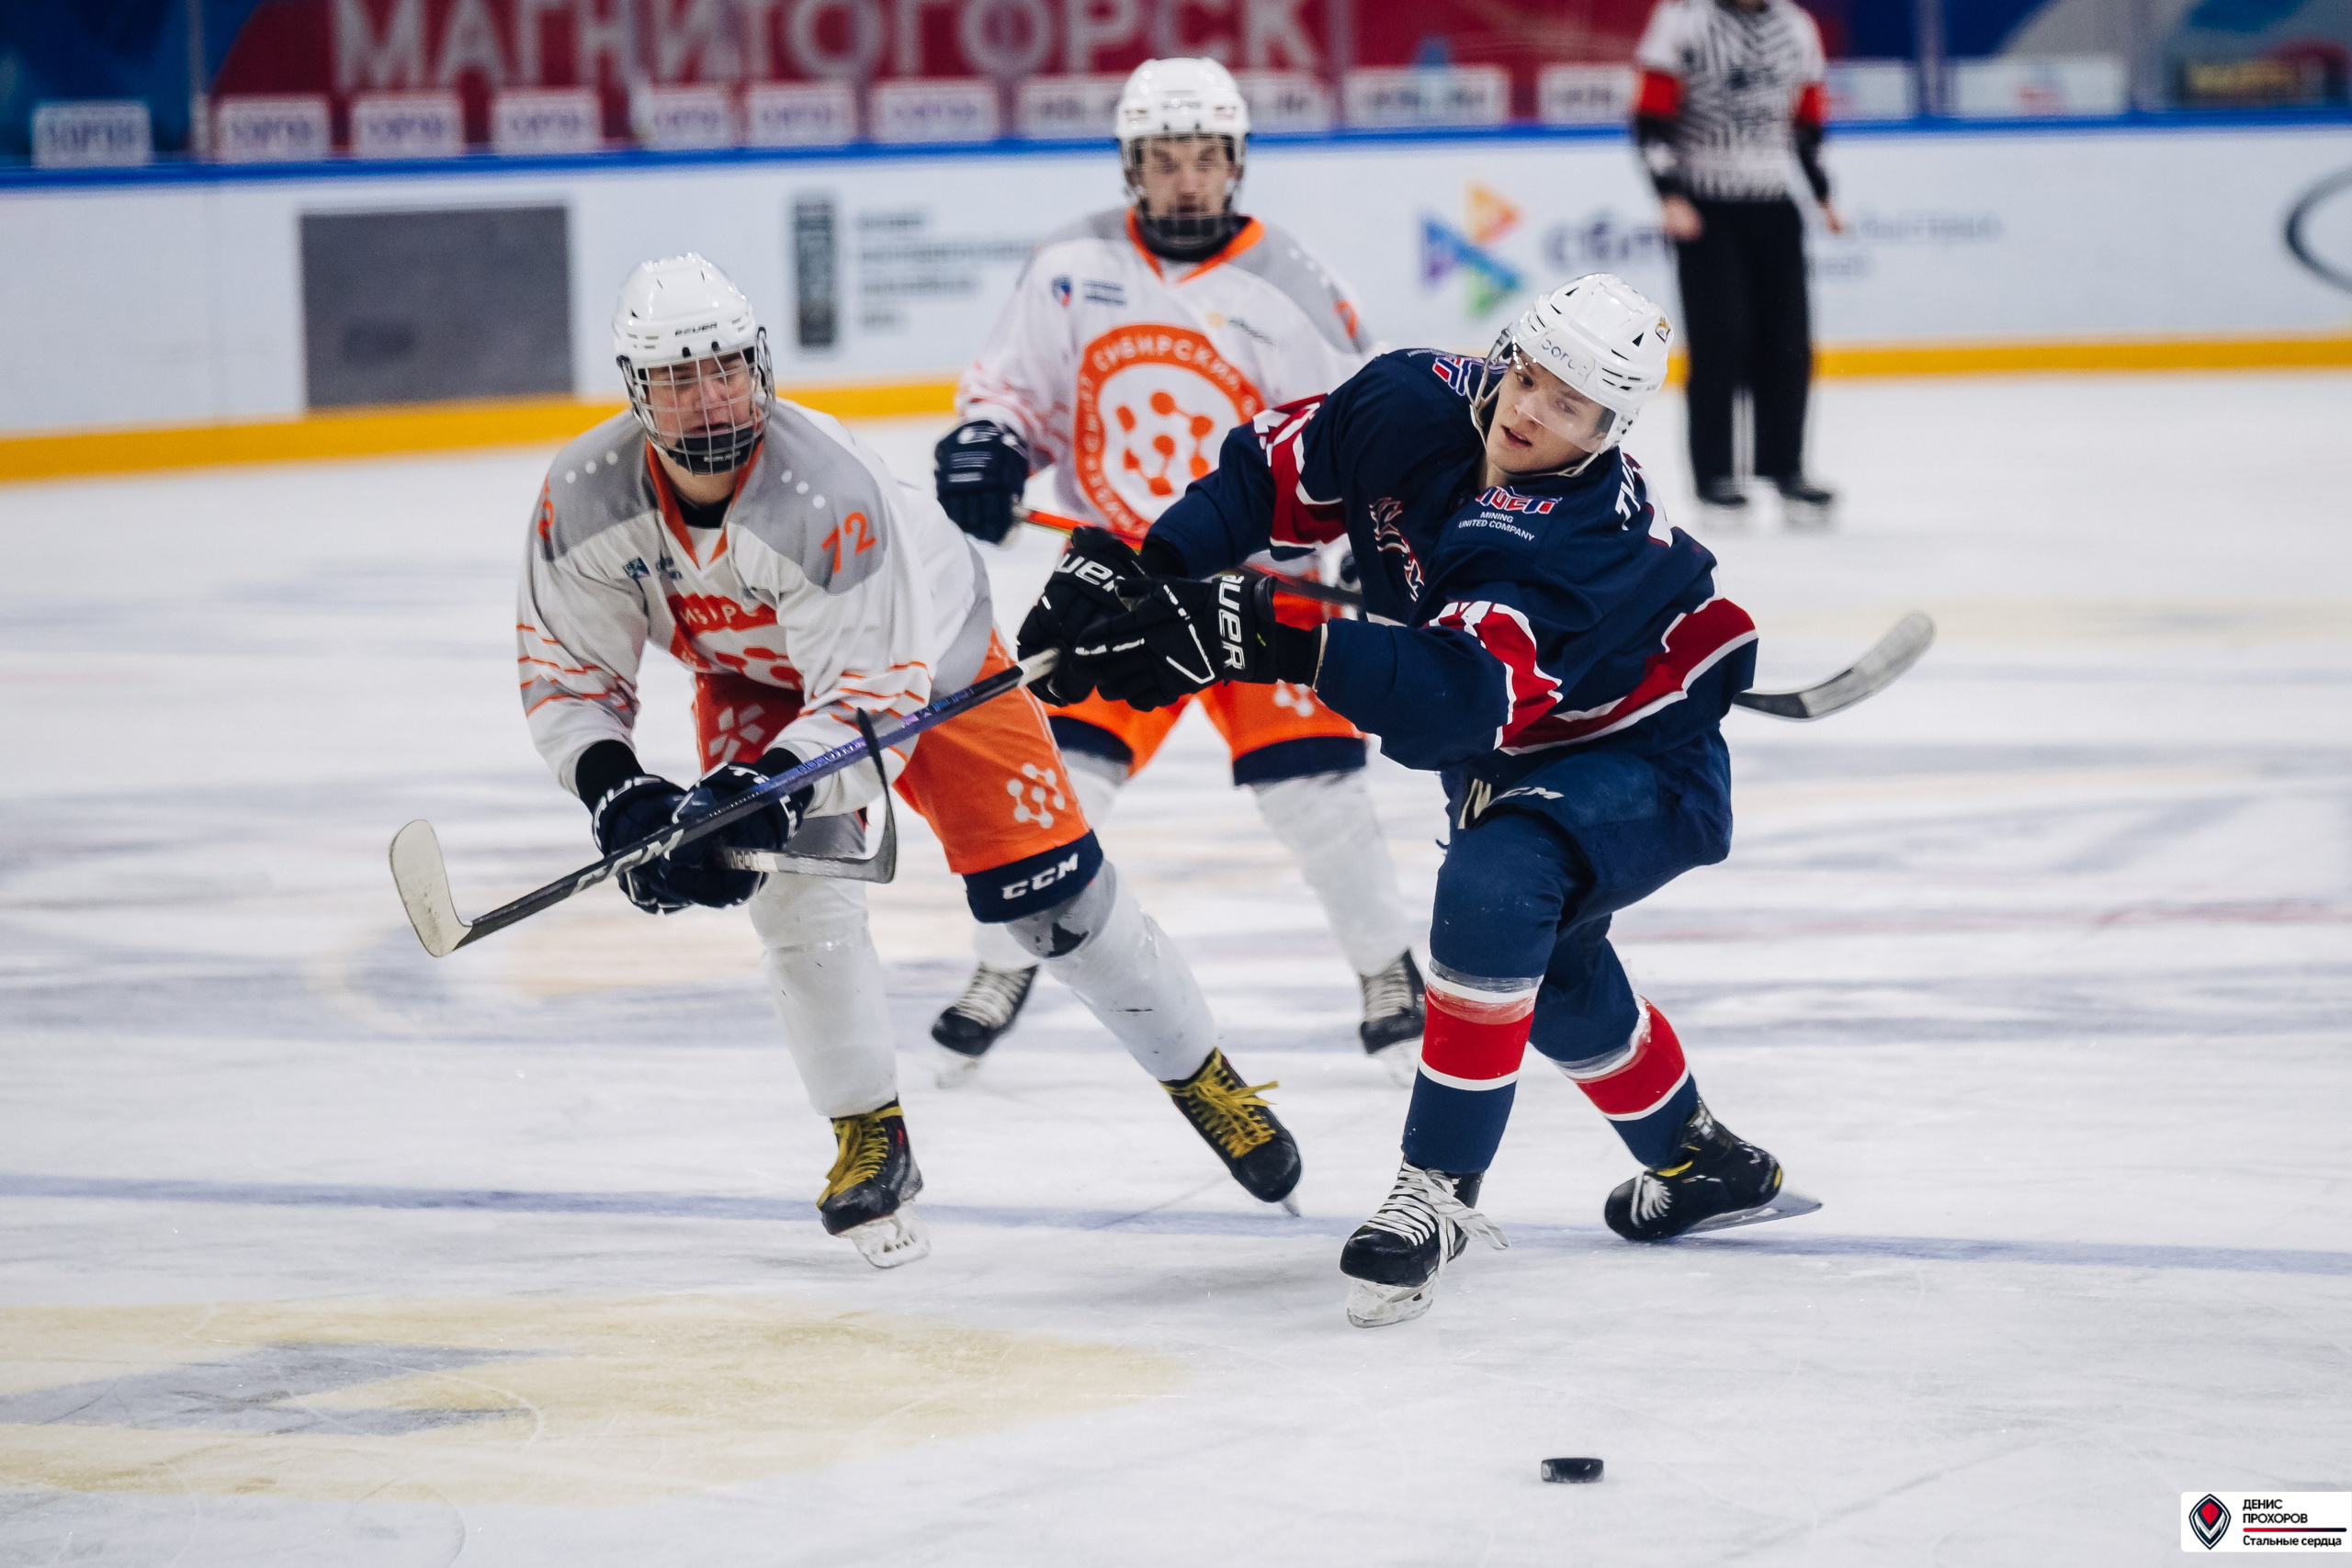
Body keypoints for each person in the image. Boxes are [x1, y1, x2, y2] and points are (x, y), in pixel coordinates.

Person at [1018, 274, 1817, 1328]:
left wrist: (1265, 637)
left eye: (1569, 407)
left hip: (1639, 755)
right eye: (1528, 377)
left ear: (1608, 429)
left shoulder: (1561, 533)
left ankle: (1434, 1191)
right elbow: (1268, 474)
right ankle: (1697, 1160)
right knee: (1557, 964)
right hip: (1520, 737)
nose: (1530, 411)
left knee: (1497, 887)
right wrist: (1147, 568)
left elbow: (1454, 701)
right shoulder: (1409, 398)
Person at [514, 253, 1302, 1269]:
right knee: (793, 904)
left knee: (1052, 904)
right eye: (677, 377)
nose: (709, 398)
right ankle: (867, 1136)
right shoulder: (583, 492)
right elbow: (565, 672)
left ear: (759, 364)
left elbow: (872, 697)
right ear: (636, 392)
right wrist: (617, 793)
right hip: (760, 684)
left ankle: (1201, 1075)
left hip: (931, 662)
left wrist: (755, 798)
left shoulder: (822, 488)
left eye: (724, 368)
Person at [928, 56, 1426, 1083]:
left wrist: (1380, 543)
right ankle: (1000, 966)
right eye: (1164, 160)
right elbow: (1012, 391)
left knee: (1316, 792)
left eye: (1205, 159)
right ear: (1131, 164)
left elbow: (1364, 433)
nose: (1187, 180)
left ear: (1235, 161)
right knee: (1057, 780)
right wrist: (989, 444)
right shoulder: (1069, 263)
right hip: (1114, 571)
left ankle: (1388, 971)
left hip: (1262, 579)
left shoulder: (1292, 282)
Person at [1633, 0, 1844, 528]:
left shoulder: (1795, 27)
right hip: (1706, 206)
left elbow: (1807, 120)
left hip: (1773, 203)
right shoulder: (1683, 22)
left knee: (1788, 341)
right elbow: (1650, 118)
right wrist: (1669, 194)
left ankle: (1785, 468)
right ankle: (1715, 477)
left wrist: (1821, 194)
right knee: (1720, 340)